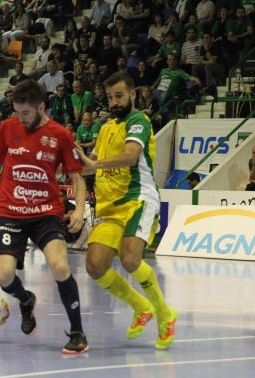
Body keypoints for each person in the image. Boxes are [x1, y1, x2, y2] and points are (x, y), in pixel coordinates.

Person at [0, 79, 89, 355]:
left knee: (60, 266)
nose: (20, 118)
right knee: (5, 275)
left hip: (46, 212)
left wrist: (80, 209)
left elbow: (76, 174)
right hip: (11, 212)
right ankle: (25, 300)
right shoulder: (8, 127)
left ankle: (78, 332)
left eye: (25, 113)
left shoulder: (60, 134)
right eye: (16, 112)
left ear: (41, 107)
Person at [74, 72, 177, 351]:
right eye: (109, 97)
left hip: (137, 199)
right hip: (110, 206)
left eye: (119, 95)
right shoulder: (106, 127)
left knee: (131, 259)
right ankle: (141, 307)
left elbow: (130, 156)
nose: (114, 101)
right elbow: (90, 164)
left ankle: (165, 314)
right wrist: (73, 160)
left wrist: (94, 165)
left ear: (132, 94)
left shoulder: (138, 121)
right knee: (95, 266)